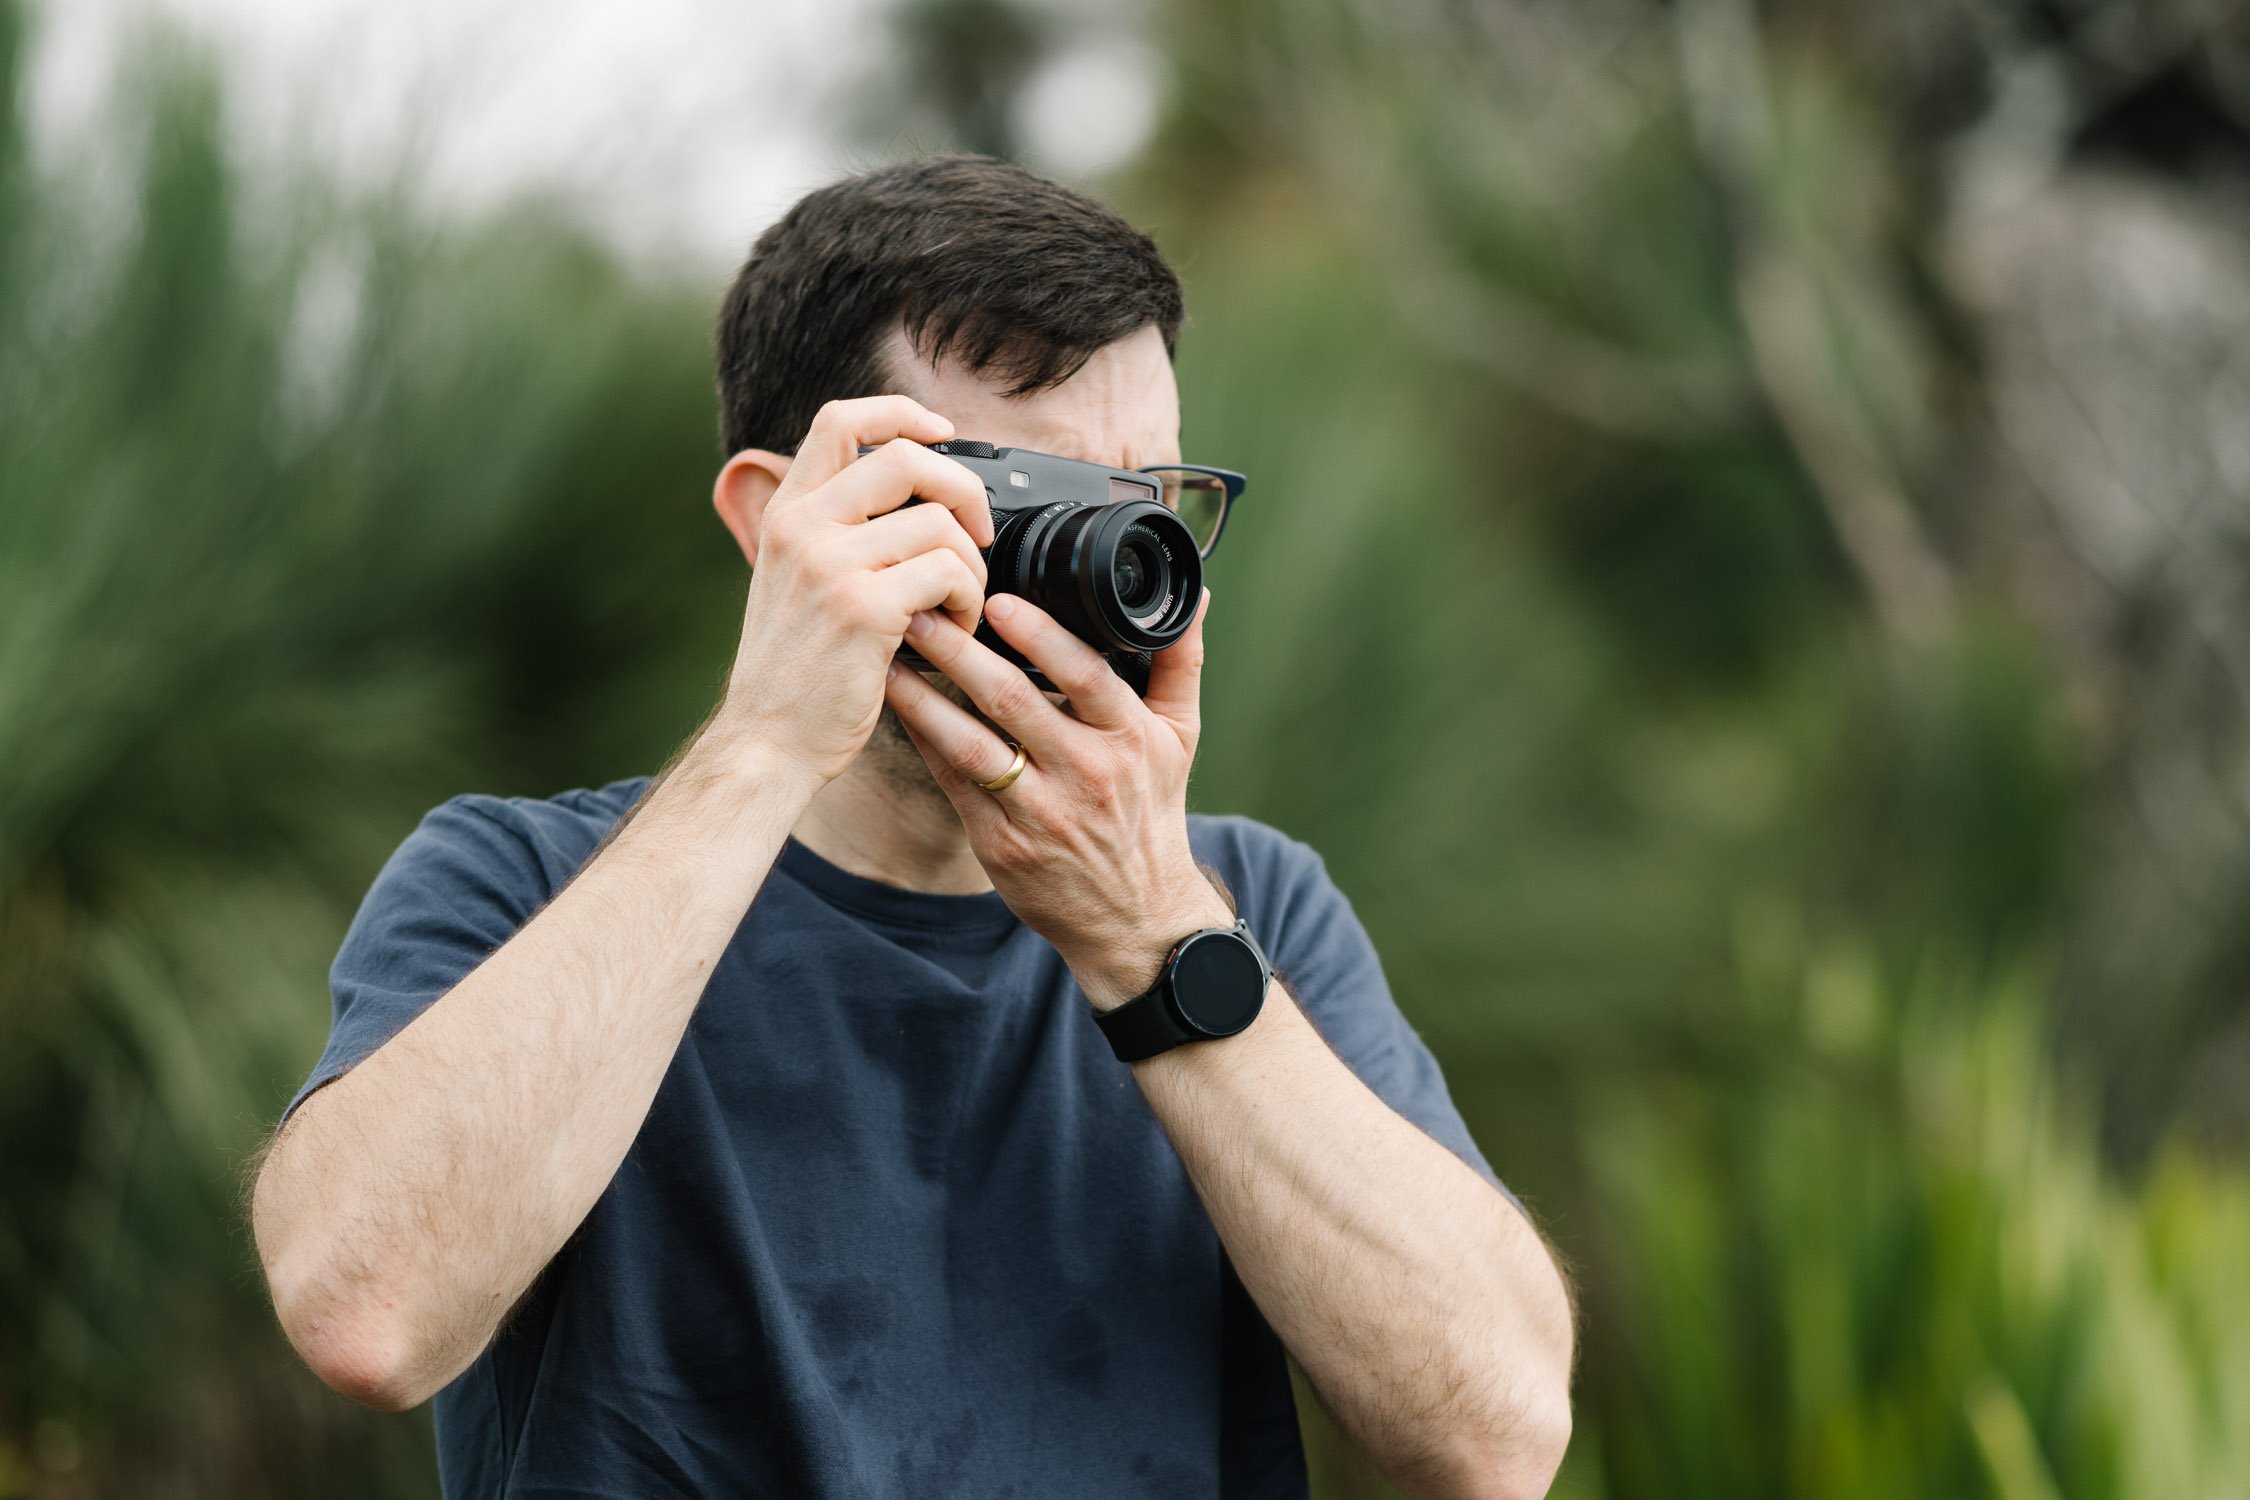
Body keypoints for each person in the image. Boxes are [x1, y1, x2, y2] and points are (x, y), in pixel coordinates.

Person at [249, 154, 1575, 1499]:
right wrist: (765, 743)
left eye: (1147, 502)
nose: (1112, 568)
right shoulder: (524, 885)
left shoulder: (1247, 916)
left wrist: (1150, 936)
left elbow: (1499, 1435)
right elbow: (366, 1313)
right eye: (1027, 498)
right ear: (779, 524)